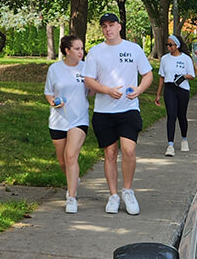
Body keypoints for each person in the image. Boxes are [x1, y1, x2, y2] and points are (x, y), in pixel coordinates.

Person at [83, 13, 153, 215]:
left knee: (129, 150)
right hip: (104, 111)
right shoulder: (96, 52)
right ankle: (113, 195)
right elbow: (88, 80)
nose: (108, 29)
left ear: (119, 26)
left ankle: (128, 191)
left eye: (111, 25)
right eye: (104, 26)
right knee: (110, 153)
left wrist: (139, 90)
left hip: (129, 109)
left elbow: (147, 74)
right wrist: (106, 90)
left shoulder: (133, 49)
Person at [43, 35, 89, 214]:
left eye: (82, 48)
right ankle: (73, 179)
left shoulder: (86, 68)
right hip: (58, 120)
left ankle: (71, 197)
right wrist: (53, 102)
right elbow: (48, 92)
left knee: (71, 156)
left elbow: (92, 91)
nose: (81, 52)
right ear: (67, 51)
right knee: (62, 161)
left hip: (79, 119)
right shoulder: (54, 69)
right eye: (77, 49)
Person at [154, 34, 196, 156]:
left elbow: (192, 75)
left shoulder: (186, 59)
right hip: (169, 88)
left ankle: (184, 139)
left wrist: (183, 76)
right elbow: (162, 77)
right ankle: (170, 145)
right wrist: (158, 94)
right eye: (167, 45)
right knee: (171, 116)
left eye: (170, 45)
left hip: (182, 88)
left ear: (177, 46)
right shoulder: (165, 59)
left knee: (181, 116)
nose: (168, 47)